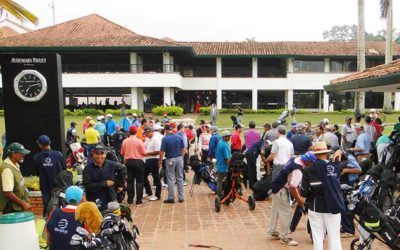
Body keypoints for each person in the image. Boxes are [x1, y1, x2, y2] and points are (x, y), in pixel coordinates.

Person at [300, 141, 345, 250]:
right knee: (334, 237)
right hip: (333, 206)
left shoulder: (308, 170)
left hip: (315, 207)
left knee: (317, 237)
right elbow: (347, 162)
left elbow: (304, 193)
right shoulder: (335, 166)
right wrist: (341, 152)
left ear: (315, 154)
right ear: (327, 152)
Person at [269, 152, 317, 245]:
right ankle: (285, 237)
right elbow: (293, 187)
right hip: (281, 189)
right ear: (308, 161)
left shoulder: (295, 159)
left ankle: (272, 232)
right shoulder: (298, 170)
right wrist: (299, 201)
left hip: (276, 185)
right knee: (286, 212)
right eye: (312, 163)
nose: (312, 165)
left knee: (276, 211)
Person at [265, 126, 295, 245]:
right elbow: (292, 158)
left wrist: (266, 160)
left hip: (278, 171)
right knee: (280, 204)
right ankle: (280, 233)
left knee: (279, 204)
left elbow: (272, 156)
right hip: (287, 169)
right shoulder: (290, 143)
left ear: (278, 132)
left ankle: (277, 232)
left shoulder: (276, 142)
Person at [83, 143, 125, 211]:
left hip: (111, 198)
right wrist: (105, 183)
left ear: (105, 154)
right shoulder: (88, 169)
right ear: (93, 154)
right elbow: (87, 185)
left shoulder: (112, 164)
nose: (99, 156)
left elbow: (123, 169)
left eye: (102, 153)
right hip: (95, 200)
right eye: (97, 153)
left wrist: (120, 184)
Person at [33, 135, 66, 213]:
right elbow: (64, 170)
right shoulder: (59, 154)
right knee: (60, 209)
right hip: (59, 189)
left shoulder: (37, 157)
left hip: (45, 189)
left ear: (40, 145)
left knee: (48, 211)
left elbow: (37, 172)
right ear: (50, 143)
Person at [46, 186, 84, 250]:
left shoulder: (54, 212)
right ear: (81, 199)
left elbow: (48, 238)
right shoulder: (83, 215)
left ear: (65, 198)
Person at [0, 142, 31, 214]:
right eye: (21, 153)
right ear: (14, 154)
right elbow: (8, 192)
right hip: (11, 209)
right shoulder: (7, 169)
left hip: (16, 207)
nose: (24, 155)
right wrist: (23, 203)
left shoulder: (15, 165)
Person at [121, 125, 147, 206]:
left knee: (129, 182)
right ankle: (139, 201)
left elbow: (122, 153)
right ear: (136, 132)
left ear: (129, 132)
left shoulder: (125, 141)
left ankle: (130, 200)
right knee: (139, 182)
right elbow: (144, 153)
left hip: (128, 162)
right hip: (138, 161)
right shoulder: (139, 141)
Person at [160, 124, 186, 203]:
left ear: (166, 130)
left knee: (170, 178)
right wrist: (182, 157)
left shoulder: (165, 139)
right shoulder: (178, 137)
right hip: (179, 158)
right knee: (180, 178)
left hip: (170, 159)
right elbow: (184, 149)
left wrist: (160, 160)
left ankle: (171, 197)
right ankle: (181, 197)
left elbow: (162, 151)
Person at [143, 127, 162, 201]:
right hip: (147, 159)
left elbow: (158, 151)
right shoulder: (148, 139)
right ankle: (148, 191)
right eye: (145, 134)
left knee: (156, 177)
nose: (146, 135)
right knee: (143, 175)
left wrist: (148, 153)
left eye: (147, 133)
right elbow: (144, 146)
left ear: (151, 131)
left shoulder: (156, 139)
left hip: (154, 159)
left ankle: (157, 195)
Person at [216, 130, 232, 199]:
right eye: (228, 136)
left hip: (220, 164)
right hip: (224, 165)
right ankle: (221, 195)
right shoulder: (225, 145)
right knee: (222, 181)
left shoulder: (221, 142)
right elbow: (227, 158)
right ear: (224, 137)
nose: (229, 137)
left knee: (220, 181)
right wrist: (230, 165)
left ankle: (221, 194)